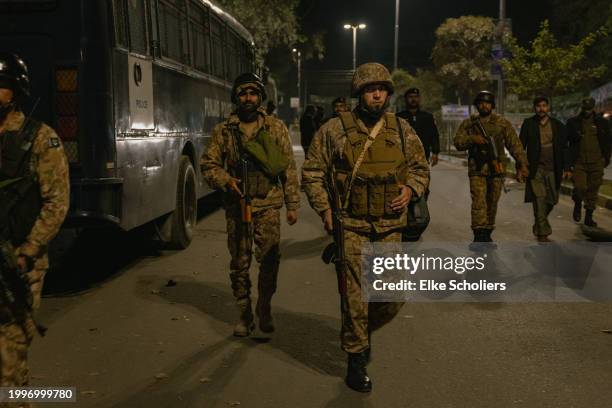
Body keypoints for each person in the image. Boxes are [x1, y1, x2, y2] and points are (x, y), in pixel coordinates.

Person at [302, 62, 429, 392]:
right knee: (355, 299)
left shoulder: (402, 130)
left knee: (393, 294)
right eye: (371, 89)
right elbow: (312, 172)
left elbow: (420, 168)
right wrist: (325, 209)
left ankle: (361, 331)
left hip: (390, 225)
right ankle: (356, 358)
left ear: (388, 93)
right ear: (359, 94)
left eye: (382, 89)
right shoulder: (334, 130)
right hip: (351, 225)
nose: (377, 94)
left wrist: (411, 188)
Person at [201, 72, 300, 337]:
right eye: (243, 93)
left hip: (267, 204)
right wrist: (225, 179)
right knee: (239, 263)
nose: (248, 98)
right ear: (236, 97)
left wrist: (292, 204)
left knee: (269, 260)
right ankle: (244, 313)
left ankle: (264, 306)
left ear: (260, 97)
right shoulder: (224, 131)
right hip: (238, 206)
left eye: (253, 93)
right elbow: (208, 164)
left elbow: (288, 168)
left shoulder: (275, 128)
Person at [0, 52, 70, 394]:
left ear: (16, 91)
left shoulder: (40, 138)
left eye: (0, 86)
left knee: (8, 358)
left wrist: (28, 249)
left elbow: (56, 202)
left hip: (18, 263)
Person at [454, 91, 528, 242]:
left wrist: (522, 164)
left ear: (492, 105)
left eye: (487, 103)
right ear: (477, 105)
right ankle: (479, 232)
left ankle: (488, 229)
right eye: (481, 103)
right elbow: (458, 142)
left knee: (492, 201)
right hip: (478, 169)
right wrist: (472, 139)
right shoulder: (469, 123)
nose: (484, 105)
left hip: (497, 168)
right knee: (478, 201)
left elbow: (515, 145)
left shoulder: (502, 123)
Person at [519, 96, 571, 242]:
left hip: (554, 168)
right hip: (535, 169)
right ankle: (543, 232)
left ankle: (539, 222)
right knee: (539, 198)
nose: (541, 109)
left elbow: (564, 148)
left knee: (552, 200)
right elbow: (520, 147)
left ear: (548, 107)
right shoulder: (528, 124)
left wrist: (567, 167)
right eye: (538, 106)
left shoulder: (558, 125)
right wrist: (520, 167)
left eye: (544, 106)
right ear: (534, 108)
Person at [567, 97, 611, 227]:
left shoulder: (602, 123)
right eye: (585, 108)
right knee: (580, 187)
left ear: (593, 108)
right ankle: (577, 202)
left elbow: (608, 141)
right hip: (579, 162)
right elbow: (567, 142)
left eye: (589, 108)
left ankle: (589, 216)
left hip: (596, 161)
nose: (587, 111)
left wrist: (606, 158)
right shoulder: (573, 122)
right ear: (582, 107)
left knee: (593, 189)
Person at [397, 87, 440, 166]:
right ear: (406, 99)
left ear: (419, 99)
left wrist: (435, 152)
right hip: (403, 158)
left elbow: (434, 135)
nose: (413, 99)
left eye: (416, 97)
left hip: (422, 157)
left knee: (422, 178)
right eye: (410, 97)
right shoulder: (399, 117)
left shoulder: (427, 117)